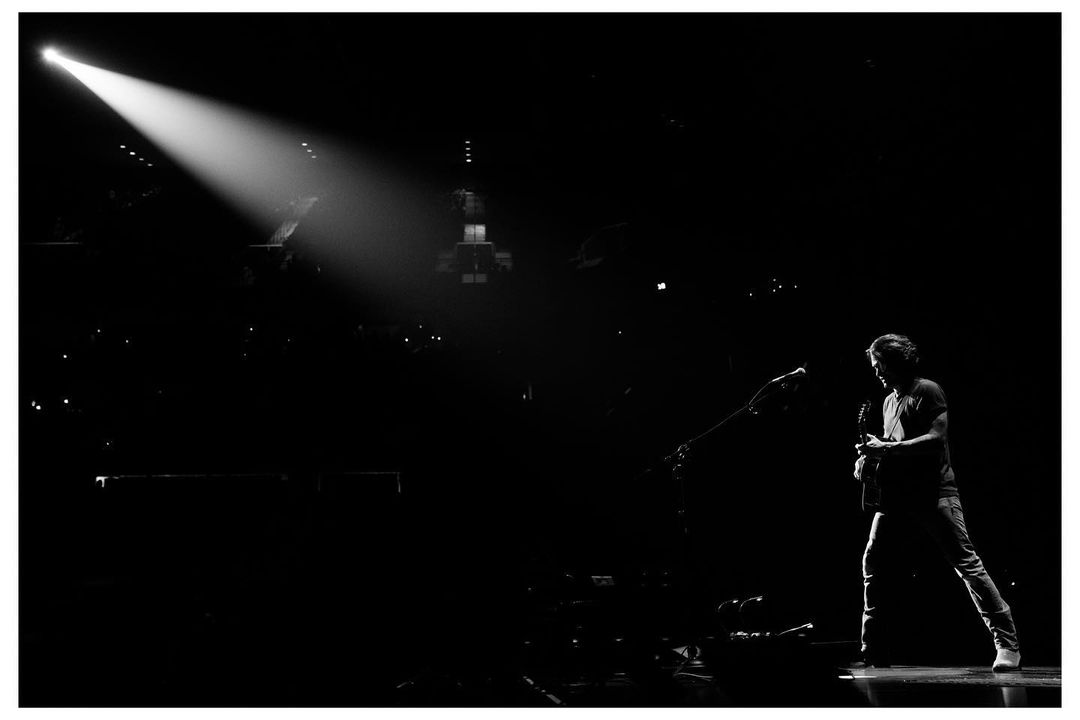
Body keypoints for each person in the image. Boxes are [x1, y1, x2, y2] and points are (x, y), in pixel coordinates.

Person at [853, 333, 1020, 671]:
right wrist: (869, 457)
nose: (876, 372)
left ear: (896, 361)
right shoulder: (888, 401)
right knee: (874, 564)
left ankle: (1007, 644)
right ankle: (873, 648)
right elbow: (894, 446)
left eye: (879, 364)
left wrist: (886, 448)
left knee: (967, 566)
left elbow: (935, 439)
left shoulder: (927, 390)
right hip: (897, 498)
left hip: (934, 494)